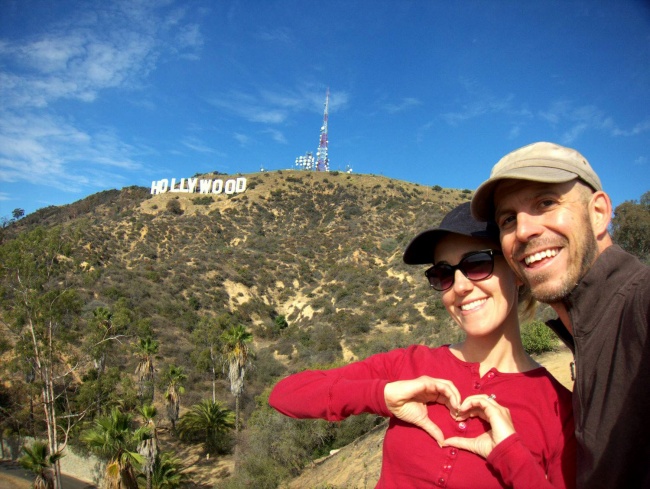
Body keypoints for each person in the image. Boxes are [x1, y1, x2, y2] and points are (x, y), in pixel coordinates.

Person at [269, 202, 575, 489]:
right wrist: (382, 395)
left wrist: (511, 456)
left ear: (517, 273)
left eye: (478, 263)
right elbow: (287, 395)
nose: (460, 286)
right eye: (443, 273)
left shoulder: (559, 408)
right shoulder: (409, 366)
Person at [470, 141, 650, 489]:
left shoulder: (639, 305)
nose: (523, 231)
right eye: (508, 219)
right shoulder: (591, 332)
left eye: (546, 203)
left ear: (598, 213)